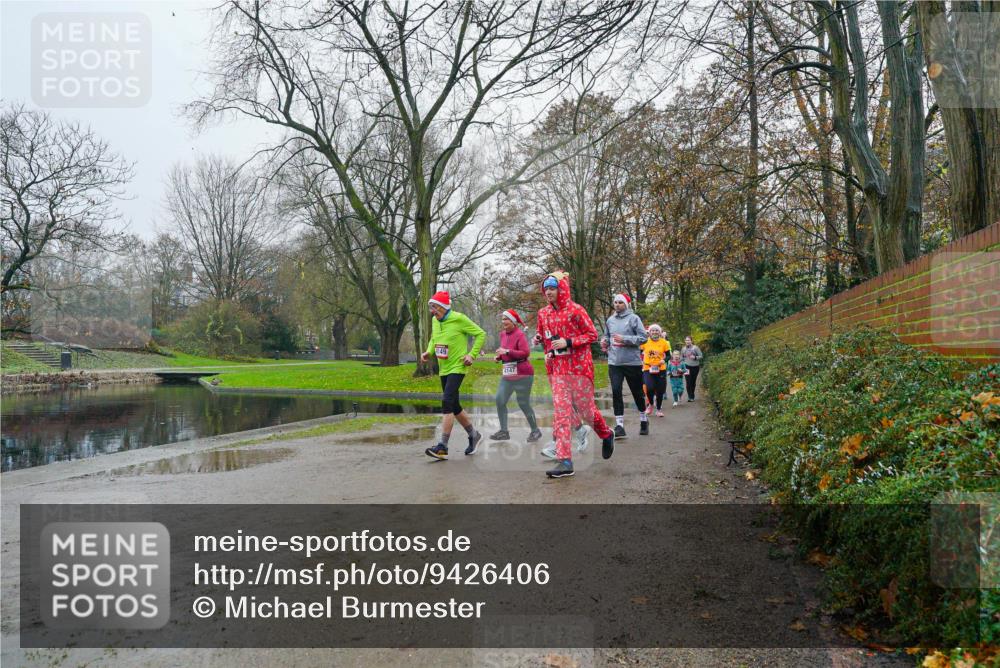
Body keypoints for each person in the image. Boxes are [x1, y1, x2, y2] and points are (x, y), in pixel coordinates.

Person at [534, 271, 615, 479]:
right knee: (562, 413)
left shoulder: (576, 310)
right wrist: (540, 341)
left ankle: (606, 434)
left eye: (553, 288)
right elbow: (544, 335)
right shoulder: (543, 313)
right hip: (559, 369)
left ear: (562, 290)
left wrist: (569, 342)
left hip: (579, 368)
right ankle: (565, 461)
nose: (549, 292)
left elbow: (592, 335)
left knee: (587, 411)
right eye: (546, 289)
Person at [421, 291, 486, 460]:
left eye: (434, 307)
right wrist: (428, 352)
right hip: (444, 368)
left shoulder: (459, 318)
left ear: (443, 307)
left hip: (458, 366)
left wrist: (471, 354)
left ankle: (442, 446)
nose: (432, 311)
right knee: (454, 405)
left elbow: (480, 334)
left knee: (447, 401)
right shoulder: (436, 321)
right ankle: (474, 435)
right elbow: (434, 339)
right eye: (431, 308)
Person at [600, 293, 649, 438]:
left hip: (632, 362)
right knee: (616, 390)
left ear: (626, 304)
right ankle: (620, 425)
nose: (617, 305)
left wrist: (625, 339)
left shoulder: (634, 318)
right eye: (615, 302)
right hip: (614, 362)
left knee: (637, 393)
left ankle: (644, 420)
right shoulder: (610, 320)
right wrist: (604, 341)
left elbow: (643, 338)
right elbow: (607, 336)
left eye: (620, 302)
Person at [490, 309, 543, 443]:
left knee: (523, 403)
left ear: (513, 322)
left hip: (523, 374)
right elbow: (506, 353)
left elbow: (525, 353)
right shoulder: (502, 335)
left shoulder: (519, 335)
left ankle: (535, 431)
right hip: (508, 374)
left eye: (506, 319)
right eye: (502, 319)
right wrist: (499, 357)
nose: (503, 322)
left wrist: (507, 351)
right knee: (499, 400)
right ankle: (503, 431)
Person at [640, 324, 671, 417]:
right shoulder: (645, 342)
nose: (654, 332)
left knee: (660, 390)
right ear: (649, 332)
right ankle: (650, 405)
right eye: (652, 330)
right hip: (647, 368)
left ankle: (658, 410)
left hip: (661, 369)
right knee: (649, 388)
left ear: (659, 332)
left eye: (656, 330)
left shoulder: (664, 342)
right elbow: (637, 353)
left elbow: (669, 355)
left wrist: (664, 360)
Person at [681, 335, 704, 401]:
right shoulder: (683, 349)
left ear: (691, 341)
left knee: (693, 382)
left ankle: (692, 394)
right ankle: (690, 396)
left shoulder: (695, 348)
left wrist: (695, 357)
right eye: (686, 340)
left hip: (695, 367)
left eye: (689, 340)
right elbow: (681, 357)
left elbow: (701, 356)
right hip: (686, 366)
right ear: (685, 341)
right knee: (688, 382)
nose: (687, 341)